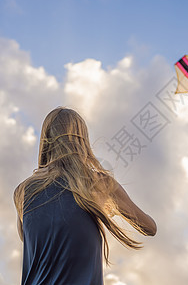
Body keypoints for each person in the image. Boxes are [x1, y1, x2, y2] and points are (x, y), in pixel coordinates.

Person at [13, 107, 157, 285]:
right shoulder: (97, 183)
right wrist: (111, 207)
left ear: (46, 141)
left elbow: (30, 238)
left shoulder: (23, 191)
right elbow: (150, 228)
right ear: (82, 141)